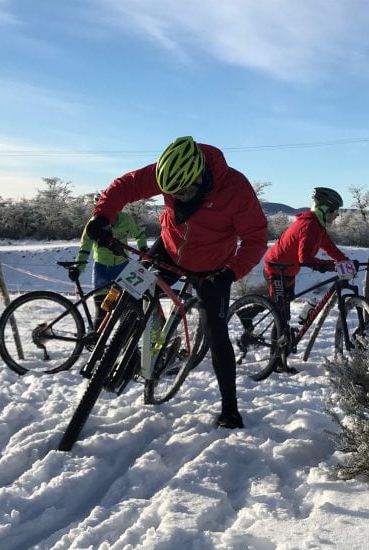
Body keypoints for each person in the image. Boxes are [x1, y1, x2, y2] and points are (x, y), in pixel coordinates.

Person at [83, 136, 268, 429]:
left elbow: (256, 238)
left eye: (185, 190)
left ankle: (229, 408)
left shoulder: (235, 188)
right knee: (129, 290)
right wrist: (102, 216)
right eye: (172, 193)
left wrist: (231, 272)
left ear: (200, 174)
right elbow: (126, 186)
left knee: (215, 333)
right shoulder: (167, 171)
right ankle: (130, 347)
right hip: (169, 250)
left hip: (213, 269)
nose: (178, 197)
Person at [263, 187, 355, 323]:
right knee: (281, 315)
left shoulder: (318, 227)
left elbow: (332, 249)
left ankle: (248, 312)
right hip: (276, 268)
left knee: (283, 305)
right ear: (323, 209)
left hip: (288, 269)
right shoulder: (309, 226)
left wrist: (348, 263)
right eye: (335, 211)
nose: (337, 215)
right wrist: (331, 266)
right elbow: (305, 259)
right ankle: (277, 339)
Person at [69, 194, 148, 328]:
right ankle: (96, 344)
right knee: (101, 313)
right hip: (101, 269)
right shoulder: (92, 225)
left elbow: (139, 235)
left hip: (123, 268)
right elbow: (84, 250)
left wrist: (144, 250)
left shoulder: (126, 219)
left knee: (127, 313)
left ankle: (127, 346)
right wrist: (78, 268)